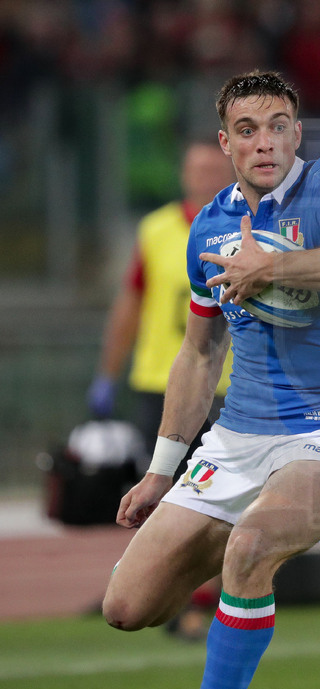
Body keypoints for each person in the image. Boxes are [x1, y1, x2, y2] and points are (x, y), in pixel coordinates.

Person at [101, 69, 320, 689]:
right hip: (237, 442)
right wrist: (162, 470)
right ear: (225, 144)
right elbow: (200, 353)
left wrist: (277, 267)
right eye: (247, 130)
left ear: (297, 134)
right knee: (128, 608)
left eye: (277, 127)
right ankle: (233, 534)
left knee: (251, 546)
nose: (264, 142)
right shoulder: (207, 228)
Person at [87, 139, 236, 457]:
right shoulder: (155, 230)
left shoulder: (248, 228)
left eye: (213, 170)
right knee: (160, 487)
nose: (205, 179)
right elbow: (131, 303)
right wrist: (107, 374)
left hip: (229, 384)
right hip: (162, 380)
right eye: (198, 170)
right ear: (183, 174)